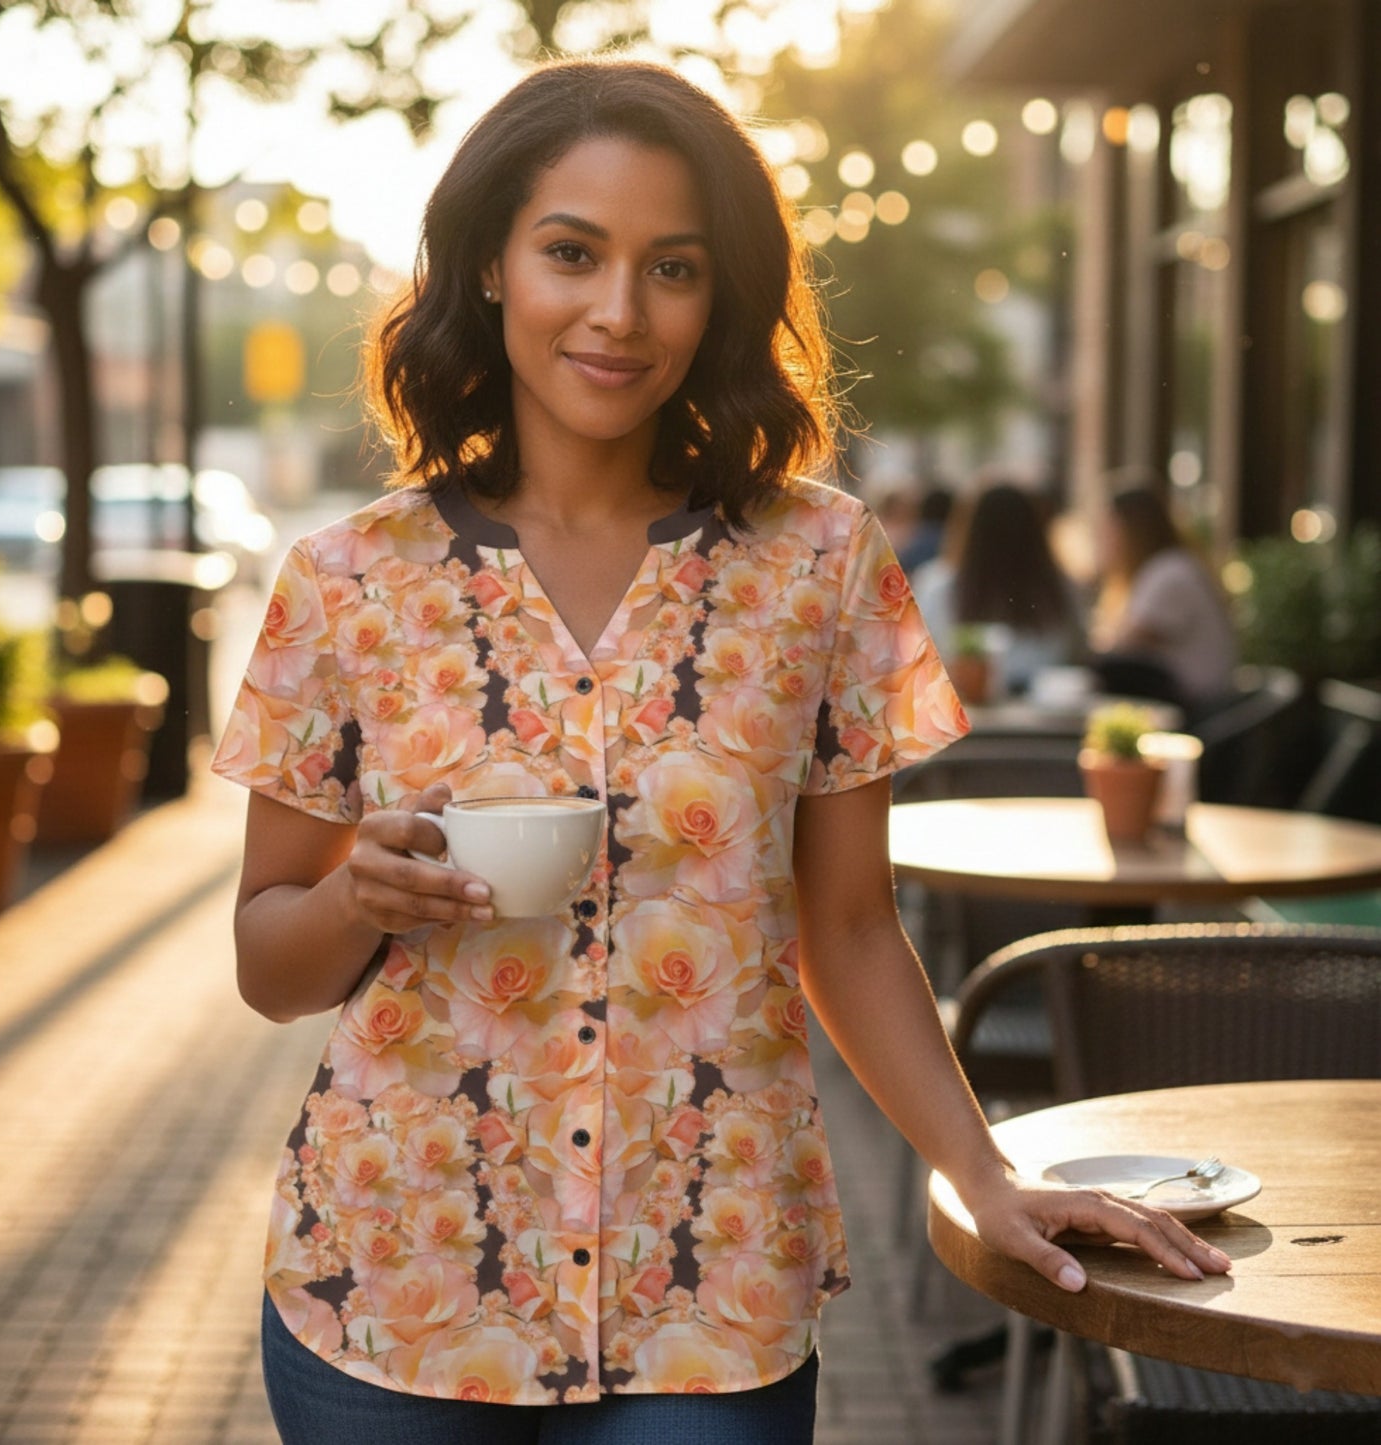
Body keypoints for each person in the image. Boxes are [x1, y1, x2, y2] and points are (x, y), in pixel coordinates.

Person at [212, 58, 1230, 1444]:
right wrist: (352, 899)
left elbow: (854, 928)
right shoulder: (343, 581)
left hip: (714, 1294)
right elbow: (269, 963)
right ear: (494, 264)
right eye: (573, 251)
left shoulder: (818, 563)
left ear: (721, 293)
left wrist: (982, 1176)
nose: (620, 312)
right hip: (393, 1284)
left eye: (672, 267)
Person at [911, 481, 1084, 697]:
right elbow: (1079, 655)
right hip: (1050, 720)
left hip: (966, 719)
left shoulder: (937, 586)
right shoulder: (1062, 590)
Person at [1091, 485, 1238, 711]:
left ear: (1131, 529)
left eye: (1108, 529)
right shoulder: (1167, 567)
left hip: (1196, 711)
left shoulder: (1170, 574)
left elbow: (1126, 645)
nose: (1101, 540)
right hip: (1192, 703)